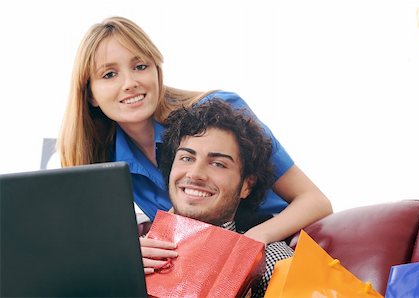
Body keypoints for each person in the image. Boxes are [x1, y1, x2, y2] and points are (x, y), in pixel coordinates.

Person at [57, 16, 332, 244]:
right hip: (207, 266)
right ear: (90, 93)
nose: (130, 83)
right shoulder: (104, 162)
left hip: (275, 246)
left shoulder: (222, 110)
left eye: (140, 66)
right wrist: (130, 252)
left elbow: (315, 200)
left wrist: (252, 241)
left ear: (157, 71)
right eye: (109, 74)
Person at [141, 100, 294, 297]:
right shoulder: (136, 252)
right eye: (187, 158)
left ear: (246, 185)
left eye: (218, 164)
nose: (195, 174)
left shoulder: (273, 261)